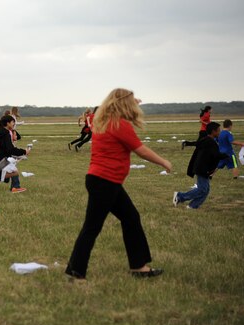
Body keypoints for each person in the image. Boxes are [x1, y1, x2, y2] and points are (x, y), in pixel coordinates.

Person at [65, 88, 172, 280]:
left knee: (131, 218)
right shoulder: (119, 125)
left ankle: (139, 266)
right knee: (92, 227)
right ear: (124, 105)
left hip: (103, 180)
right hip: (105, 181)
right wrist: (163, 162)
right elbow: (141, 150)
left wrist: (131, 103)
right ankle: (76, 270)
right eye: (131, 103)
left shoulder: (104, 121)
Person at [174, 122, 228, 209]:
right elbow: (216, 155)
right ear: (213, 131)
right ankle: (179, 196)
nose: (219, 132)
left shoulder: (206, 140)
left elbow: (197, 144)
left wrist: (187, 143)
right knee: (202, 189)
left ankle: (193, 206)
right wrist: (226, 155)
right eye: (218, 131)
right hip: (202, 169)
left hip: (202, 168)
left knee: (205, 190)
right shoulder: (210, 142)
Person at [0, 115, 27, 194]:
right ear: (8, 123)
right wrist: (24, 151)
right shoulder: (6, 133)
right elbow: (10, 149)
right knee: (1, 177)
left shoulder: (0, 131)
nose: (14, 124)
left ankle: (15, 187)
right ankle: (14, 187)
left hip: (1, 158)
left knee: (13, 172)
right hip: (2, 159)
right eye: (13, 122)